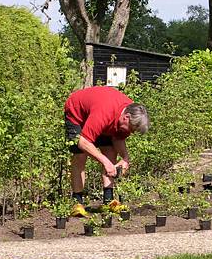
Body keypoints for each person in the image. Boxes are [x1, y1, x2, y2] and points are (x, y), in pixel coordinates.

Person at [64, 86, 149, 216]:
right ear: (126, 117)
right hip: (77, 113)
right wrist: (105, 162)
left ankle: (108, 200)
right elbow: (83, 142)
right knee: (80, 155)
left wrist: (125, 158)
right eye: (131, 129)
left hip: (100, 115)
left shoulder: (128, 115)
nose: (130, 132)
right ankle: (77, 202)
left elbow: (117, 139)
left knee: (110, 150)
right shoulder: (104, 112)